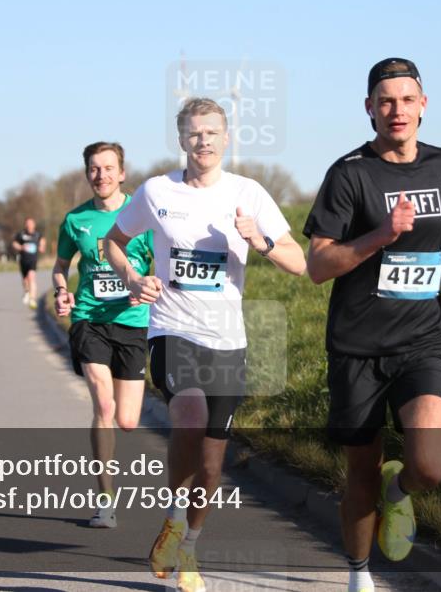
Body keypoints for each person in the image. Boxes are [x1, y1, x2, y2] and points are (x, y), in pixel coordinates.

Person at [105, 98, 306, 592]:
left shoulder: (248, 193)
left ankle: (189, 546)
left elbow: (300, 262)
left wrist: (260, 241)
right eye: (195, 133)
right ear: (181, 139)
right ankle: (174, 517)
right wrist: (132, 277)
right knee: (190, 415)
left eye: (212, 132)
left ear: (226, 137)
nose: (204, 141)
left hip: (227, 341)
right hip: (172, 329)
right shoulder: (157, 191)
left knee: (213, 465)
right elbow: (113, 241)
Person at [303, 58, 441, 592]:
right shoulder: (349, 174)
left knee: (431, 465)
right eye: (386, 101)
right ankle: (359, 575)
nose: (397, 110)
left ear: (424, 105)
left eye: (407, 100)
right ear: (369, 108)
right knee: (361, 472)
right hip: (358, 346)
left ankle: (399, 492)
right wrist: (380, 236)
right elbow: (317, 265)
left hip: (423, 339)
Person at [52, 141, 155, 528]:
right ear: (87, 174)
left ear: (122, 173)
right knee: (104, 407)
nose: (102, 175)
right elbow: (61, 266)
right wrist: (61, 290)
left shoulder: (141, 216)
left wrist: (149, 285)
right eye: (94, 169)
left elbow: (159, 264)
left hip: (132, 320)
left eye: (109, 168)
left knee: (127, 420)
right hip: (89, 318)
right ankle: (105, 499)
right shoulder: (75, 220)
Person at [13, 217, 45, 308]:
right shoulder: (21, 234)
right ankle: (26, 292)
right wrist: (21, 247)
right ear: (25, 225)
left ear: (34, 225)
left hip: (33, 260)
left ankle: (32, 299)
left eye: (31, 223)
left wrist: (42, 247)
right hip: (23, 260)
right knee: (25, 280)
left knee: (31, 277)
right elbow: (14, 243)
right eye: (27, 224)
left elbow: (43, 242)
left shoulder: (38, 235)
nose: (29, 225)